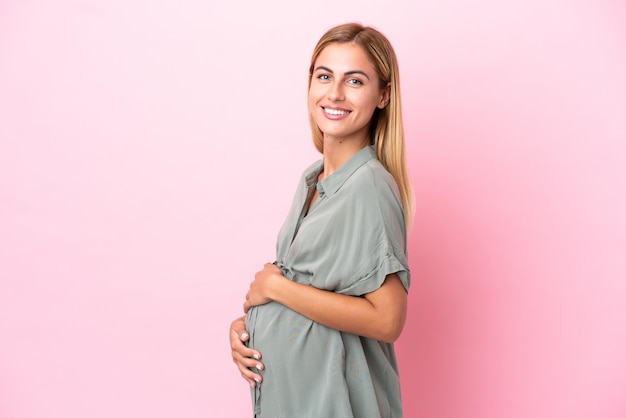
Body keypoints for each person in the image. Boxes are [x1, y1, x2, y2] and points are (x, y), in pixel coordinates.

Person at [229, 22, 414, 417]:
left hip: (335, 403)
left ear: (383, 95)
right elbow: (314, 286)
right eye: (324, 75)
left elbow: (388, 319)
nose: (334, 93)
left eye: (355, 81)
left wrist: (277, 291)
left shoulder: (369, 189)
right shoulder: (313, 179)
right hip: (295, 399)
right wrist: (247, 328)